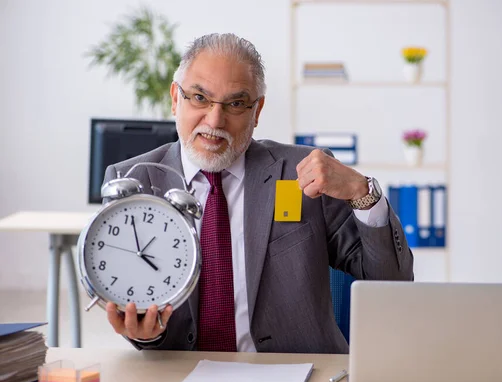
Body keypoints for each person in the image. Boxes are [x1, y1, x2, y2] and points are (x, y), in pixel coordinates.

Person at [104, 33, 414, 354]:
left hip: (295, 375)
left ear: (257, 110)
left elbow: (391, 283)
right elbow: (133, 304)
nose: (215, 120)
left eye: (236, 103)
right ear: (174, 98)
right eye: (199, 97)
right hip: (178, 377)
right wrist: (144, 333)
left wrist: (362, 192)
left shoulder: (302, 172)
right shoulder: (133, 179)